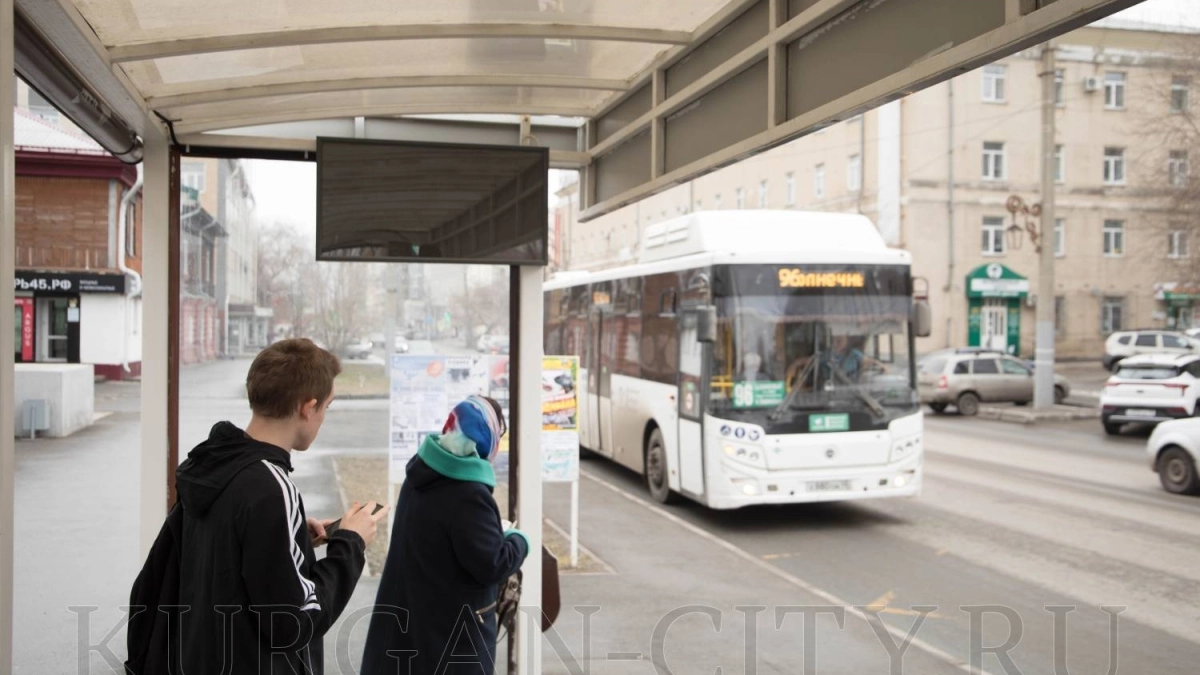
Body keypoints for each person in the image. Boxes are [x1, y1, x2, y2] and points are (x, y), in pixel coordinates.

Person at [125, 338, 389, 675]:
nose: (324, 417)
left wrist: (294, 539)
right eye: (327, 407)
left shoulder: (214, 466)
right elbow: (292, 621)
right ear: (307, 408)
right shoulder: (271, 489)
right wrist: (351, 544)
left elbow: (222, 561)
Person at [361, 395, 530, 675]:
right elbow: (493, 564)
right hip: (450, 643)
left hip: (408, 628)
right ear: (487, 439)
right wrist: (517, 539)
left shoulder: (421, 473)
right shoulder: (469, 495)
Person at [786, 334, 883, 389]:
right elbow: (805, 361)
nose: (837, 342)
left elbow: (868, 361)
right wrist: (794, 366)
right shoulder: (827, 355)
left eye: (841, 340)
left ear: (847, 341)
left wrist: (882, 367)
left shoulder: (854, 354)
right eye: (835, 340)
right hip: (830, 389)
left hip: (852, 391)